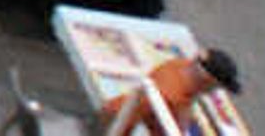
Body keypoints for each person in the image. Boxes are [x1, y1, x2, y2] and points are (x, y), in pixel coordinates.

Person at [98, 46, 243, 136]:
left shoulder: (180, 66)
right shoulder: (167, 95)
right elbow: (118, 116)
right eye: (216, 86)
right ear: (207, 80)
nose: (215, 90)